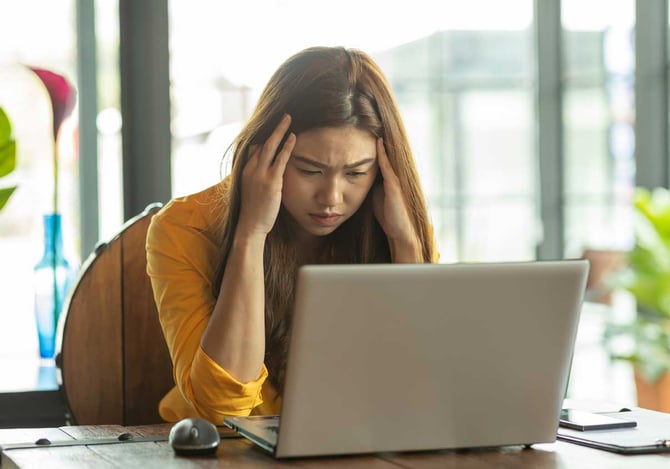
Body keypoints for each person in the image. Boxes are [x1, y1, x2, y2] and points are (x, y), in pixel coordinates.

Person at [146, 46, 439, 424]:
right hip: (223, 451)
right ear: (263, 154)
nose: (332, 199)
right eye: (310, 170)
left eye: (355, 173)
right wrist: (251, 233)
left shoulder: (399, 231)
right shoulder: (183, 228)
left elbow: (419, 392)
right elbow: (221, 405)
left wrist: (406, 246)